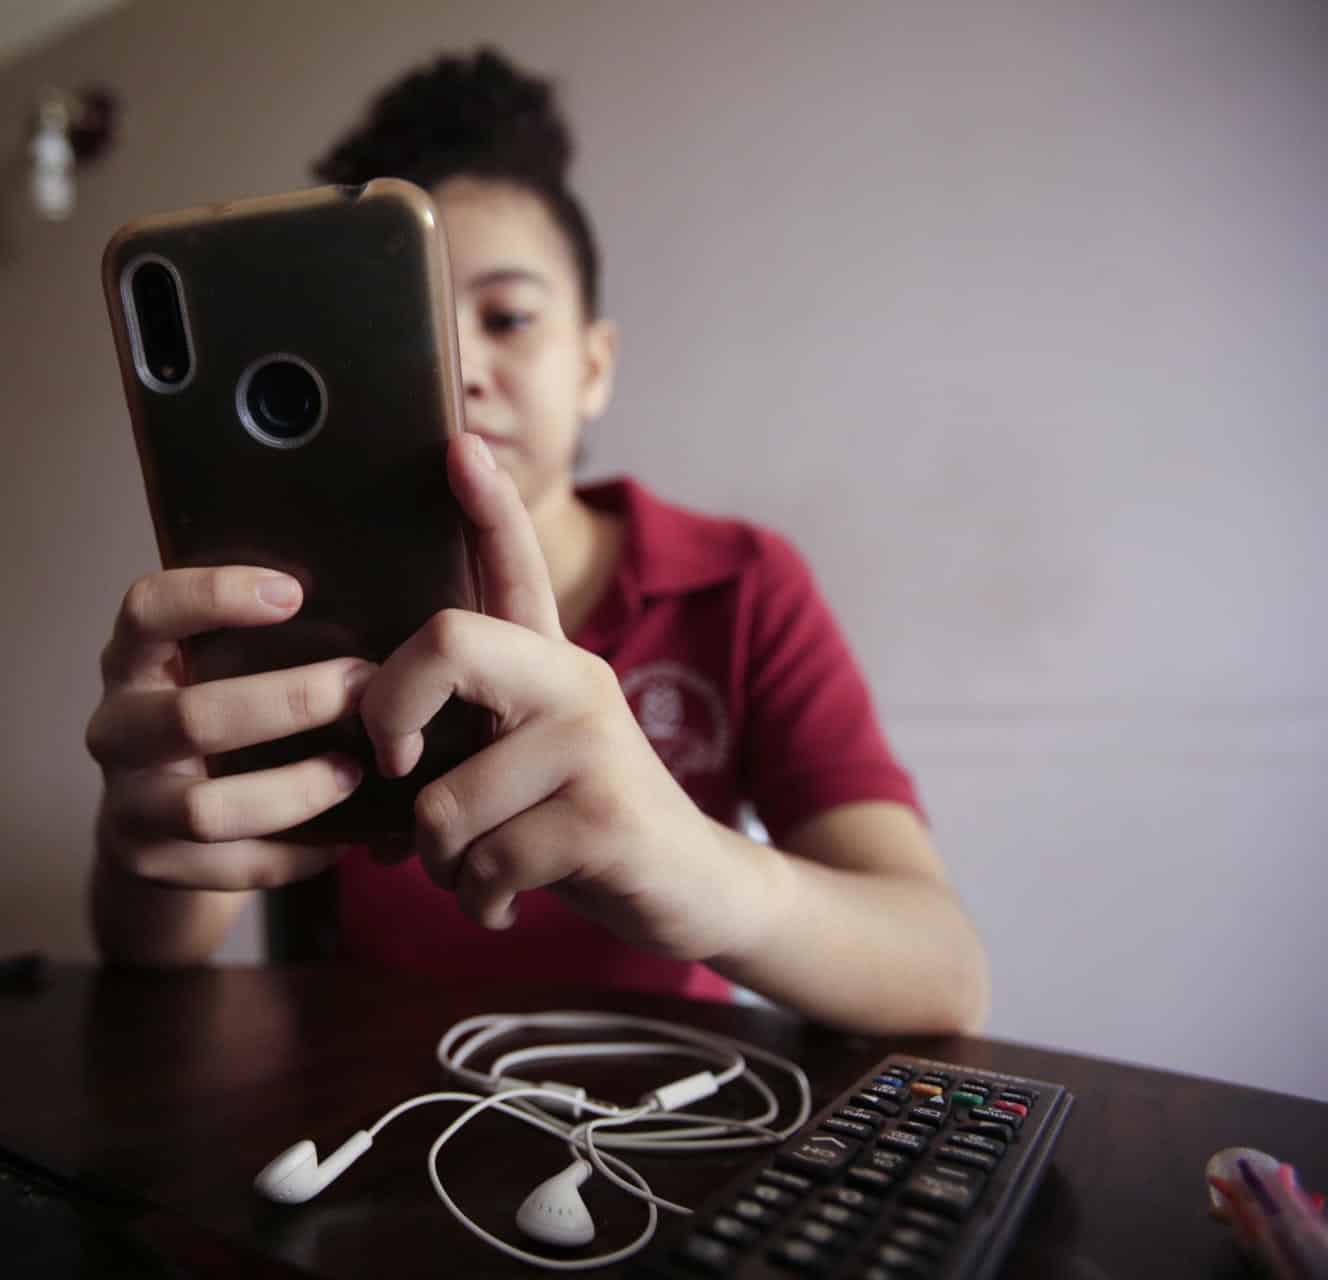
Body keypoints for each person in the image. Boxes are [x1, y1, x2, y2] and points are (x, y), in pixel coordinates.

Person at [84, 49, 989, 1034]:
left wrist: (695, 867)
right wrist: (154, 833)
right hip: (353, 1121)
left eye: (507, 316)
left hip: (668, 1120)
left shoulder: (739, 584)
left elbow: (945, 973)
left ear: (594, 364)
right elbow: (151, 952)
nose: (462, 365)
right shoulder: (286, 597)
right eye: (411, 324)